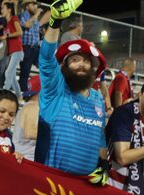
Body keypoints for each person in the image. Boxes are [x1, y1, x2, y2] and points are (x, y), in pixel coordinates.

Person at [35, 0, 108, 184]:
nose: (81, 64)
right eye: (75, 59)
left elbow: (100, 139)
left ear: (93, 67)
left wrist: (102, 165)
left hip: (84, 189)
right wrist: (55, 22)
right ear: (64, 66)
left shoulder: (98, 98)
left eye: (86, 60)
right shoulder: (56, 90)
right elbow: (45, 58)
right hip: (52, 186)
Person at [18, 0, 48, 95]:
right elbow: (27, 25)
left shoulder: (35, 18)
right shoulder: (23, 16)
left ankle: (48, 88)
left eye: (36, 5)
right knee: (25, 72)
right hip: (26, 48)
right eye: (33, 4)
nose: (36, 6)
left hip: (36, 48)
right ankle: (23, 92)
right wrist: (37, 14)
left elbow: (38, 26)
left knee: (46, 67)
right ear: (27, 7)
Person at [0, 2, 23, 97]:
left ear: (9, 10)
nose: (2, 10)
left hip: (17, 50)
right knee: (12, 77)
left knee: (8, 73)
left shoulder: (14, 19)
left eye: (3, 8)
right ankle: (19, 96)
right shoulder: (6, 24)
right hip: (12, 51)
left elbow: (20, 32)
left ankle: (4, 94)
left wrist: (6, 36)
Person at [13, 75, 40, 161]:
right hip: (27, 158)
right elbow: (30, 133)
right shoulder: (33, 106)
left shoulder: (29, 106)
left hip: (23, 156)